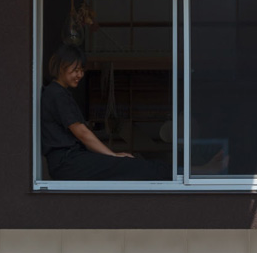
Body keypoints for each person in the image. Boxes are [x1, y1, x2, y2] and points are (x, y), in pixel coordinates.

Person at [41, 44, 165, 181]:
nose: (80, 75)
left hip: (70, 161)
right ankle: (175, 175)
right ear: (61, 66)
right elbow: (82, 133)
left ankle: (174, 174)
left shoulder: (59, 93)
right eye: (76, 70)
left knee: (131, 166)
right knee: (130, 166)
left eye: (82, 70)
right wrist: (112, 155)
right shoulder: (56, 94)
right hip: (67, 162)